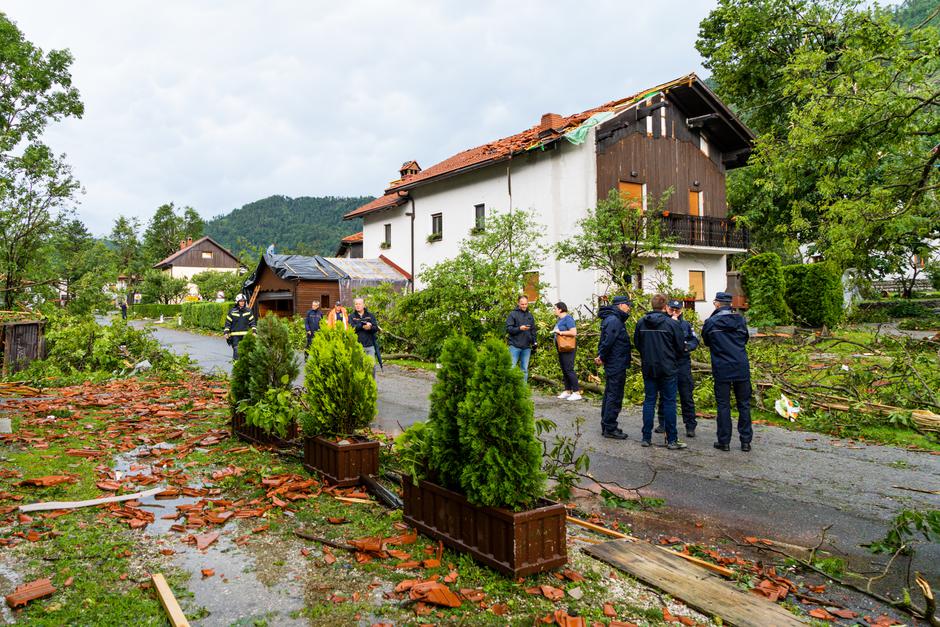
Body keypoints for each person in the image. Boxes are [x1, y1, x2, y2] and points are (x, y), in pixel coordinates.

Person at [634, 294, 688, 449]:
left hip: (649, 367)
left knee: (649, 401)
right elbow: (680, 347)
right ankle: (672, 439)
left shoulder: (641, 323)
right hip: (668, 367)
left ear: (652, 305)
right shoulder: (672, 324)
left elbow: (638, 343)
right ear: (666, 307)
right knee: (669, 402)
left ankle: (646, 437)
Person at [701, 291, 753, 452]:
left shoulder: (710, 322)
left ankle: (724, 441)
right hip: (741, 366)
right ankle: (745, 442)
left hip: (721, 367)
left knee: (723, 405)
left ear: (717, 304)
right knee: (743, 404)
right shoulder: (741, 320)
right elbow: (745, 340)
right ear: (730, 304)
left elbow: (707, 342)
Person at [655, 299, 699, 438]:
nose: (674, 312)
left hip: (682, 364)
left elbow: (694, 340)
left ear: (681, 310)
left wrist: (687, 346)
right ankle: (663, 423)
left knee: (686, 395)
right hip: (667, 363)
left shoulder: (685, 325)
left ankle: (690, 425)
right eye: (672, 310)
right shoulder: (662, 324)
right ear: (666, 308)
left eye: (677, 310)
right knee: (665, 395)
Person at [595, 295, 632, 439]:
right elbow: (608, 341)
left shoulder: (612, 319)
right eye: (627, 305)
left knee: (610, 394)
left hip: (615, 361)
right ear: (620, 305)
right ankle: (610, 427)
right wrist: (601, 356)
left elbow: (605, 341)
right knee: (614, 395)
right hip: (616, 363)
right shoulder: (614, 320)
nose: (629, 307)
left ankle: (607, 425)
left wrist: (602, 356)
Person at [552, 302, 581, 401]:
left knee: (569, 369)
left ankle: (576, 392)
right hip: (561, 347)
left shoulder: (568, 318)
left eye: (555, 308)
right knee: (564, 369)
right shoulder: (560, 319)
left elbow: (574, 332)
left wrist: (560, 332)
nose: (554, 310)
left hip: (568, 347)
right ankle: (568, 390)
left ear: (560, 309)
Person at [505, 295, 537, 382]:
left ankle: (523, 391)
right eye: (522, 304)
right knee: (511, 368)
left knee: (524, 370)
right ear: (518, 303)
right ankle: (509, 389)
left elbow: (533, 330)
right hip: (514, 346)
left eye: (526, 304)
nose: (524, 306)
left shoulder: (530, 315)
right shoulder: (512, 314)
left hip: (526, 347)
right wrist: (520, 328)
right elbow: (509, 329)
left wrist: (535, 342)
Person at [350, 297, 379, 377]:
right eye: (356, 304)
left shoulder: (370, 316)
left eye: (359, 304)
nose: (358, 306)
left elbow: (375, 328)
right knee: (358, 368)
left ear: (363, 305)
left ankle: (371, 386)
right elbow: (351, 328)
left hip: (370, 346)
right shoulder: (352, 316)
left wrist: (370, 328)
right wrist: (362, 326)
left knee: (371, 367)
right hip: (358, 347)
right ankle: (361, 387)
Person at [223, 294, 256, 360]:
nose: (242, 302)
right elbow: (227, 324)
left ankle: (244, 369)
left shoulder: (248, 311)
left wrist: (254, 332)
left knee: (246, 353)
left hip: (245, 336)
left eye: (243, 301)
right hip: (235, 337)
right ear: (237, 302)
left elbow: (253, 323)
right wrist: (226, 333)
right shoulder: (232, 312)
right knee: (236, 352)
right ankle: (236, 367)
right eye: (241, 301)